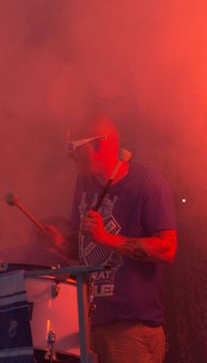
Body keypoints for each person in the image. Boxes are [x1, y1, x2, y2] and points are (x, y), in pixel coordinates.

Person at [45, 115, 177, 363]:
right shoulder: (84, 183)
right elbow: (85, 249)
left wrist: (107, 238)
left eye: (73, 146)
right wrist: (60, 242)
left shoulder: (148, 184)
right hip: (88, 325)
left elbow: (168, 249)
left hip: (129, 331)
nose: (69, 155)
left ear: (98, 144)